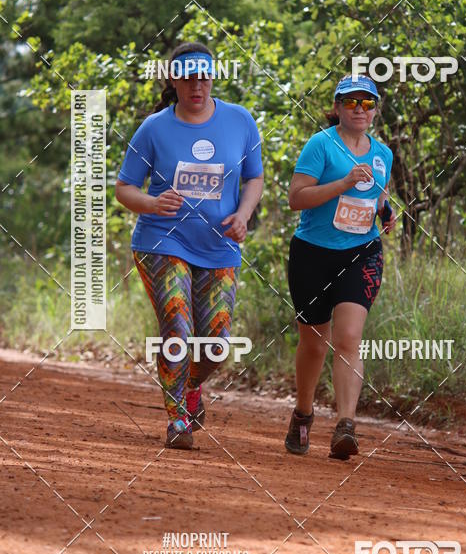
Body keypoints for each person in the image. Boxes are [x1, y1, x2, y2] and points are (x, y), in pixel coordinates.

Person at [115, 42, 263, 450]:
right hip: (163, 241)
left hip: (219, 246)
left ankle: (190, 387)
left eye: (203, 76)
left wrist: (244, 215)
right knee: (178, 327)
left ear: (212, 77)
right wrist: (151, 203)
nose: (196, 85)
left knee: (215, 343)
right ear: (173, 81)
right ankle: (177, 418)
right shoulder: (154, 128)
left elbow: (255, 178)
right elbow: (124, 188)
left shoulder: (240, 121)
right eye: (187, 78)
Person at [285, 74, 397, 460]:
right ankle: (303, 412)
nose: (360, 110)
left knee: (349, 337)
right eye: (352, 102)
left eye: (368, 103)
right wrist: (344, 181)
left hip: (361, 253)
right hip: (312, 253)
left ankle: (346, 425)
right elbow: (296, 199)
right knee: (314, 342)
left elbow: (379, 196)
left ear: (375, 109)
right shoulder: (321, 145)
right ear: (337, 107)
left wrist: (385, 210)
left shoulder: (383, 153)